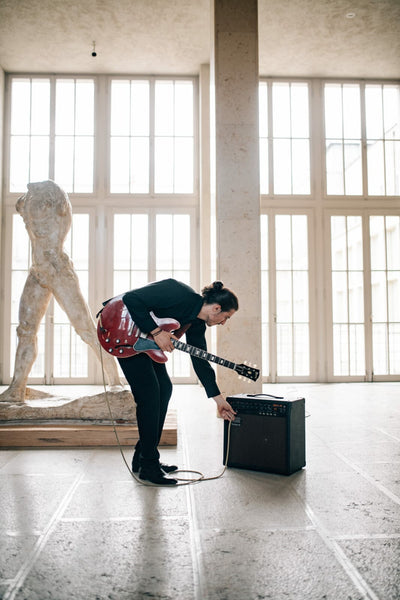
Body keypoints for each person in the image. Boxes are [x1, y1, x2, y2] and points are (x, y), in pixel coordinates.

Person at [117, 278, 238, 485]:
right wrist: (156, 332)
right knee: (150, 394)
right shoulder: (177, 291)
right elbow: (131, 298)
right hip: (123, 335)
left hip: (145, 344)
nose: (224, 323)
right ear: (216, 308)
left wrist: (219, 400)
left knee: (164, 389)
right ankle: (149, 466)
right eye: (225, 317)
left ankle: (144, 456)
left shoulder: (197, 323)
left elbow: (201, 361)